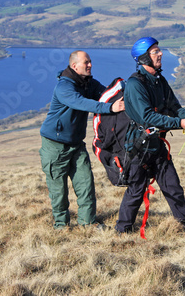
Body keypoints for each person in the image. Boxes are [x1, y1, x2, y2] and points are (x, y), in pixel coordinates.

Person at [115, 37, 185, 234]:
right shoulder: (135, 84)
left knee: (173, 188)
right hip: (138, 148)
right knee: (136, 192)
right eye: (155, 51)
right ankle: (122, 232)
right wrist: (180, 123)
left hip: (157, 145)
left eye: (159, 50)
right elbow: (148, 117)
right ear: (144, 58)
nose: (161, 54)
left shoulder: (160, 80)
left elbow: (174, 108)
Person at [39, 50, 125, 230]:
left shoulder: (88, 84)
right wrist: (110, 108)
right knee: (58, 190)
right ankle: (61, 226)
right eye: (86, 62)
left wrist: (127, 91)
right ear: (74, 66)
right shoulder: (64, 87)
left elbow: (106, 94)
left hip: (76, 144)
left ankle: (88, 223)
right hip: (55, 146)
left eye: (90, 61)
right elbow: (82, 103)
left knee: (85, 184)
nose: (90, 65)